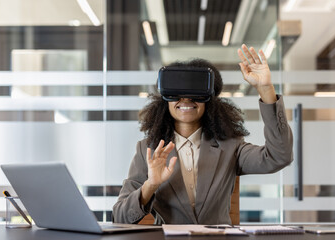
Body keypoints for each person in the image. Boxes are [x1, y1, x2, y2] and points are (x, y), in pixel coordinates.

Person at [112, 44, 293, 225]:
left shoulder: (230, 146)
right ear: (164, 101)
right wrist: (150, 185)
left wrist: (266, 89)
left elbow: (279, 156)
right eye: (177, 94)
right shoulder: (148, 150)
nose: (186, 100)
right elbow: (120, 217)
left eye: (195, 94)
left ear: (209, 101)